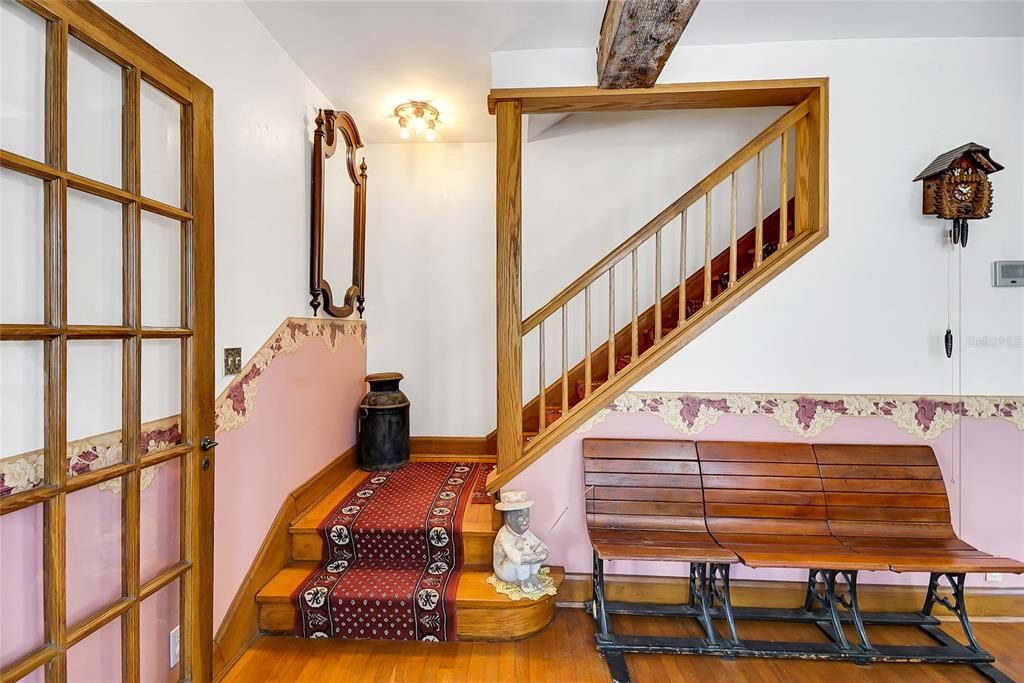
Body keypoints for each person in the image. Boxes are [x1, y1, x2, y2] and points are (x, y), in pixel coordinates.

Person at [493, 490, 550, 593]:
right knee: (525, 553)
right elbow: (515, 558)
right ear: (509, 518)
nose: (526, 521)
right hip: (506, 570)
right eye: (520, 517)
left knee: (533, 549)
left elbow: (542, 547)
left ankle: (532, 576)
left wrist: (541, 551)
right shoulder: (504, 535)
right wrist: (535, 556)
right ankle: (524, 581)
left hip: (523, 566)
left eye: (527, 516)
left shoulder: (525, 532)